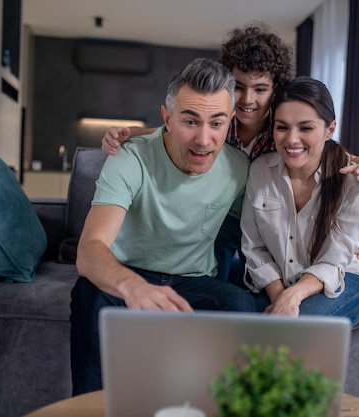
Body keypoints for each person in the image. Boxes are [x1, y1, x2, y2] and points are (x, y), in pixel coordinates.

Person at [100, 23, 359, 283]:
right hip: (223, 216)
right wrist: (131, 133)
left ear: (275, 91)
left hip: (266, 222)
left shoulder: (282, 130)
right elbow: (171, 131)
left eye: (261, 89)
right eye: (238, 87)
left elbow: (337, 154)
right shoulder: (219, 123)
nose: (247, 99)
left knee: (252, 275)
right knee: (216, 268)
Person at [69, 58, 257, 396]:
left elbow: (278, 221)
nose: (203, 139)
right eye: (189, 121)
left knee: (241, 305)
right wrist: (134, 288)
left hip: (194, 281)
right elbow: (89, 249)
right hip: (129, 273)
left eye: (216, 123)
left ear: (230, 122)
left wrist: (347, 240)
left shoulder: (239, 168)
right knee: (88, 294)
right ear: (167, 118)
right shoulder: (130, 158)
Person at [241, 76, 359, 326]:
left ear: (330, 130)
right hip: (278, 284)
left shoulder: (352, 180)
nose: (292, 139)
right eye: (282, 127)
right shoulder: (259, 171)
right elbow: (254, 247)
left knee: (299, 330)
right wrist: (281, 296)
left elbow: (336, 260)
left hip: (343, 279)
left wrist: (295, 295)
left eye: (305, 128)